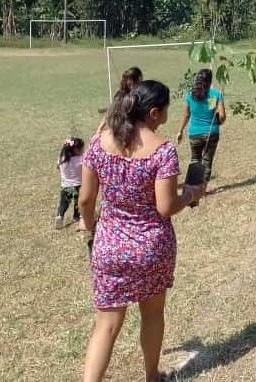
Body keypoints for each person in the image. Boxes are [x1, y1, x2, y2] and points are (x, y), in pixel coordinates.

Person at [79, 80, 204, 382]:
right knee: (151, 314)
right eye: (165, 112)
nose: (166, 117)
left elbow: (85, 200)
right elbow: (165, 206)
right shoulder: (163, 151)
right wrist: (191, 194)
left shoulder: (98, 143)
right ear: (153, 112)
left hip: (109, 246)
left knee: (106, 325)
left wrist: (92, 228)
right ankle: (152, 376)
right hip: (152, 248)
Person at [176, 68, 226, 194]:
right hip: (211, 132)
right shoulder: (215, 95)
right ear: (210, 81)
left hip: (194, 133)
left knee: (195, 160)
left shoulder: (190, 95)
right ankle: (202, 190)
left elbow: (186, 115)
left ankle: (192, 190)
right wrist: (218, 119)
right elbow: (222, 116)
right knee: (207, 161)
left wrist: (180, 131)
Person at [97, 67, 143, 134]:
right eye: (130, 79)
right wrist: (100, 128)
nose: (132, 82)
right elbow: (111, 112)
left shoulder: (142, 94)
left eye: (135, 79)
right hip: (122, 130)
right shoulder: (120, 95)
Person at [55, 136, 85, 229]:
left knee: (63, 203)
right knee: (78, 203)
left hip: (66, 186)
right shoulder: (81, 159)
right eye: (81, 148)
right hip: (78, 186)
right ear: (76, 149)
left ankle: (60, 215)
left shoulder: (62, 158)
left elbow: (57, 167)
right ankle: (77, 216)